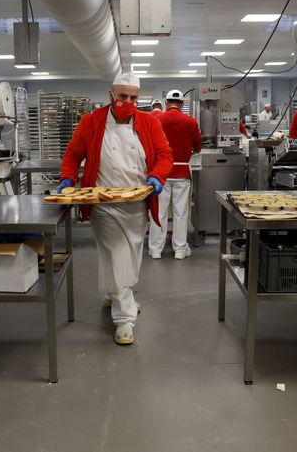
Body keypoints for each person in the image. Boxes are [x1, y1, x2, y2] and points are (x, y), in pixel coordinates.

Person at [58, 73, 173, 345]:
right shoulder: (91, 122)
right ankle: (124, 320)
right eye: (123, 97)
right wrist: (67, 177)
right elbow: (74, 154)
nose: (128, 102)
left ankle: (116, 293)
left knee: (130, 252)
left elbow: (165, 155)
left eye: (134, 97)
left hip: (136, 200)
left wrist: (157, 177)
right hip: (103, 201)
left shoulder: (149, 122)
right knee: (117, 252)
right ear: (111, 94)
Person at [148, 90, 201, 260]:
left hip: (161, 174)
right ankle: (180, 249)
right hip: (182, 172)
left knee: (159, 212)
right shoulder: (190, 122)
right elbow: (198, 147)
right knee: (181, 213)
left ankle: (156, 249)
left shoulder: (156, 120)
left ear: (166, 103)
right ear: (182, 105)